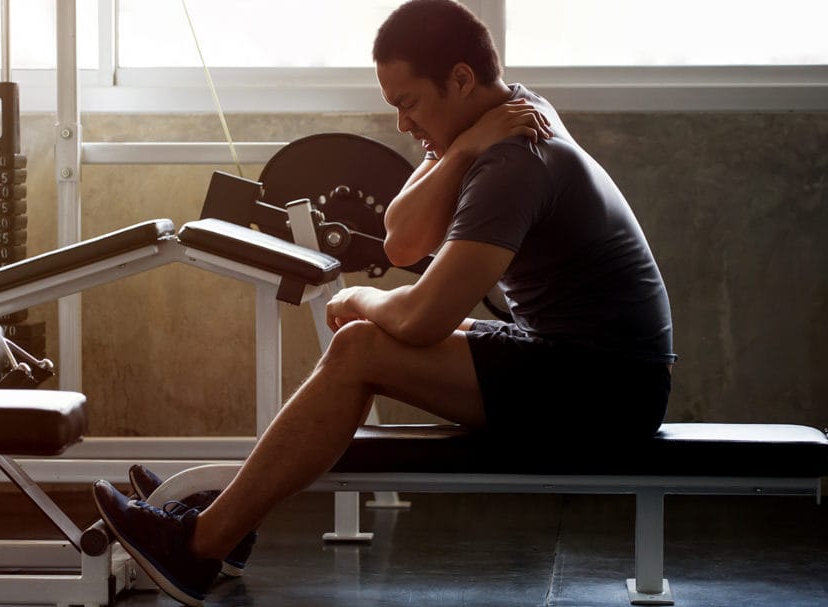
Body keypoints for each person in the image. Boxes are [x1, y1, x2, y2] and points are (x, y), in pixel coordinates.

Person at [92, 0, 676, 604]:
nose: (402, 124)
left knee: (359, 347)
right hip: (580, 362)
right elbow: (403, 238)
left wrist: (367, 297)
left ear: (460, 78)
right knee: (359, 343)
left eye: (409, 104)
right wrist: (460, 148)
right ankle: (227, 525)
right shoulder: (500, 118)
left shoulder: (515, 159)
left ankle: (197, 545)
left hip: (607, 388)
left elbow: (423, 318)